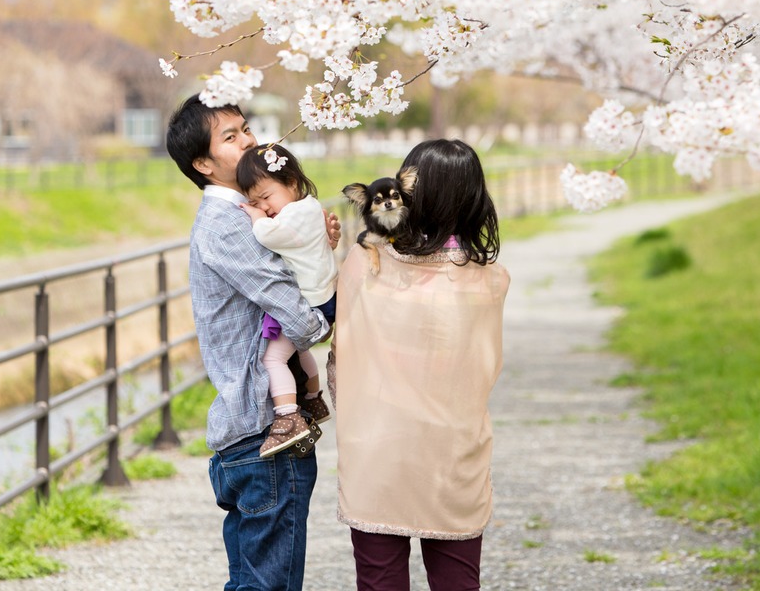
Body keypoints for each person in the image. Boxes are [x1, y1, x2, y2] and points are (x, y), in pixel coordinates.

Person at [166, 93, 338, 591]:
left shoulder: (247, 214)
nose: (248, 140)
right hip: (264, 432)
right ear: (202, 163)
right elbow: (300, 318)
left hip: (248, 433)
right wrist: (329, 312)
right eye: (230, 136)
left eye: (246, 128)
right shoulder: (228, 224)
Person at [330, 138, 511, 591]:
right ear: (473, 199)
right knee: (457, 582)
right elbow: (484, 370)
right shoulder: (489, 281)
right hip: (452, 454)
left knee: (379, 580)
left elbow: (342, 352)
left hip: (377, 449)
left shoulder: (363, 265)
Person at [236, 143, 336, 457]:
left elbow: (267, 235)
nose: (263, 207)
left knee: (273, 359)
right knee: (299, 348)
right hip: (320, 296)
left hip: (312, 300)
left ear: (291, 183)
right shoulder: (306, 208)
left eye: (266, 198)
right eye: (255, 201)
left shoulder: (296, 215)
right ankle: (313, 397)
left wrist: (253, 216)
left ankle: (287, 417)